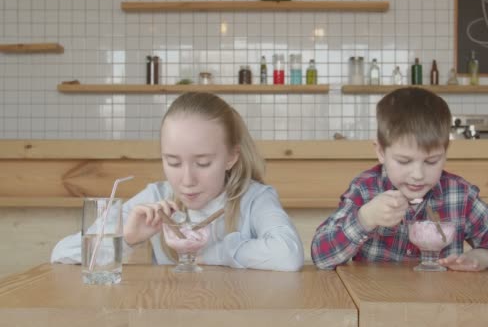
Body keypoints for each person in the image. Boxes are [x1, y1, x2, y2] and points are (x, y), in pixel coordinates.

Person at [52, 92, 304, 272]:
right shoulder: (155, 198)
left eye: (203, 163)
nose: (186, 181)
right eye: (173, 162)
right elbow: (61, 254)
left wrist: (218, 253)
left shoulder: (255, 199)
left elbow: (289, 255)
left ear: (231, 157)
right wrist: (126, 238)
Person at [311, 88, 488, 271]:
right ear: (380, 152)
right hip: (377, 300)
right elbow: (321, 256)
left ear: (445, 153)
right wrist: (365, 218)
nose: (418, 175)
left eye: (431, 161)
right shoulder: (365, 190)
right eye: (404, 161)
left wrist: (482, 258)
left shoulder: (460, 194)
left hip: (444, 303)